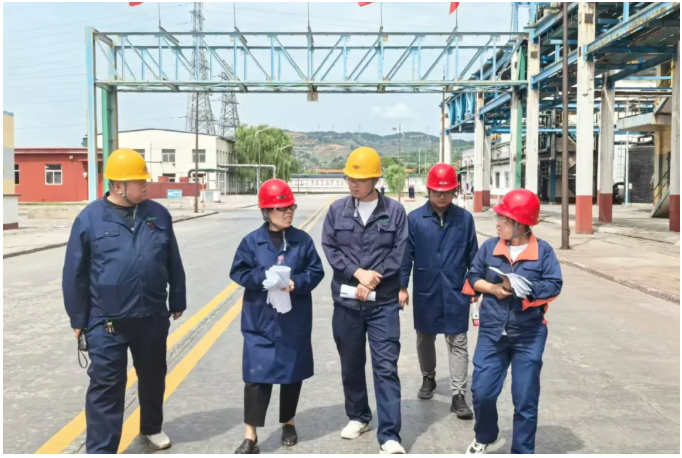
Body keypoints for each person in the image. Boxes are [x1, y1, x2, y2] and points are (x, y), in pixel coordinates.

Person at [62, 148, 186, 453]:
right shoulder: (90, 219)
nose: (146, 185)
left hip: (151, 315)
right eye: (139, 181)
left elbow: (172, 260)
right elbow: (75, 272)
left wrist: (177, 299)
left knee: (153, 377)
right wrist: (78, 318)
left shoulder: (158, 214)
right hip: (107, 321)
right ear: (118, 186)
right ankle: (101, 449)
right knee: (106, 386)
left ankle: (151, 427)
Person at [321, 146, 408, 454]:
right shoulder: (337, 211)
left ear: (375, 180)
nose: (353, 184)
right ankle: (359, 416)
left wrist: (373, 278)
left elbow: (399, 252)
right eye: (350, 179)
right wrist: (358, 273)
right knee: (351, 364)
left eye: (359, 179)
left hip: (383, 304)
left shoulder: (394, 212)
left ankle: (390, 435)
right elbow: (330, 248)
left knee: (385, 367)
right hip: (347, 303)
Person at [462, 189, 563, 454]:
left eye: (503, 219)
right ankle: (485, 435)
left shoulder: (543, 252)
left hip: (528, 334)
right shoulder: (489, 248)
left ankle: (522, 451)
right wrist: (493, 288)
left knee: (525, 399)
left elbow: (554, 285)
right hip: (492, 332)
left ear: (520, 223)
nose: (497, 222)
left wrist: (524, 288)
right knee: (482, 392)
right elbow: (473, 277)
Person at [230, 179, 325, 454]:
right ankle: (251, 435)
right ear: (266, 211)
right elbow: (238, 272)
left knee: (291, 373)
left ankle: (288, 422)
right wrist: (264, 277)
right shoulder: (252, 242)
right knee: (255, 377)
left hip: (293, 320)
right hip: (260, 320)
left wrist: (297, 282)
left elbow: (316, 271)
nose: (288, 212)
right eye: (282, 208)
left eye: (291, 207)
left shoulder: (302, 240)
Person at [399, 163, 478, 419]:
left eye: (447, 192)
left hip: (456, 289)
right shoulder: (415, 219)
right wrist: (402, 286)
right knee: (425, 337)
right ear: (429, 191)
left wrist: (475, 284)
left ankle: (458, 395)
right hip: (427, 287)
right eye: (437, 192)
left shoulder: (464, 219)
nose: (442, 196)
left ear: (454, 191)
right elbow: (406, 256)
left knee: (458, 340)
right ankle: (428, 377)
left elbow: (473, 256)